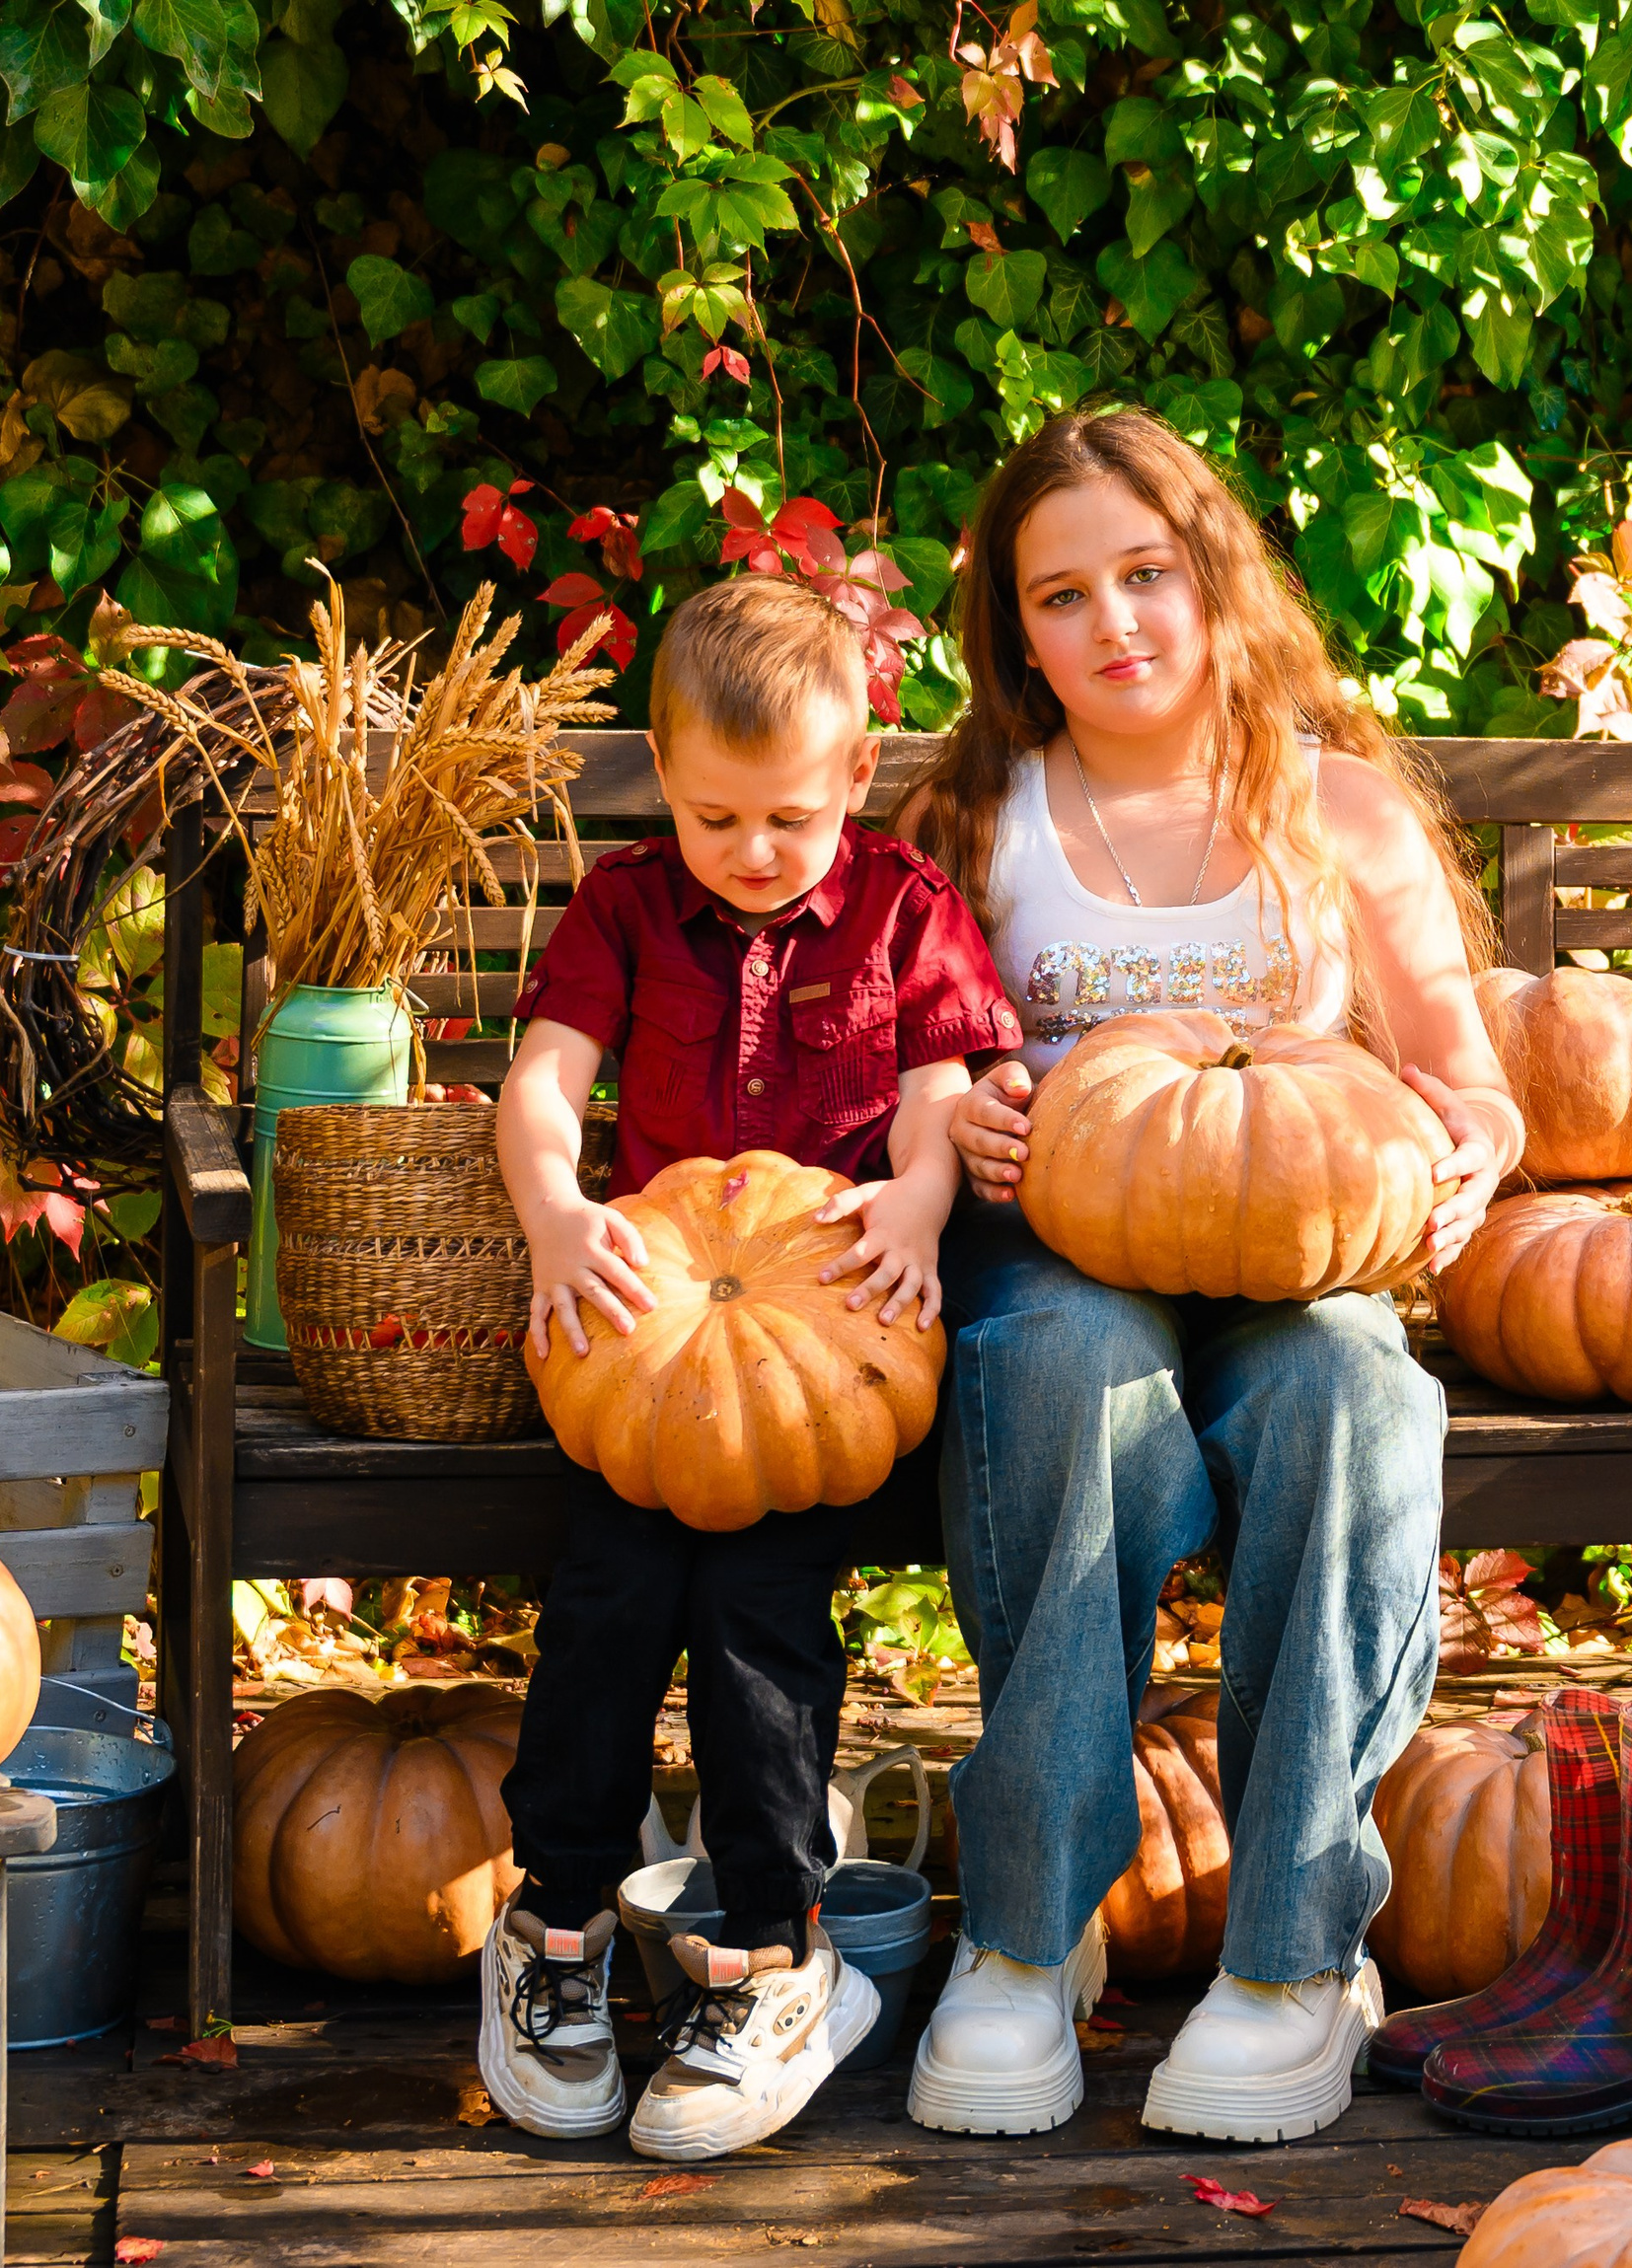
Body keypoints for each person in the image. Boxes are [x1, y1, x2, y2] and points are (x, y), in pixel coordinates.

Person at [900, 409, 1524, 2145]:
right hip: (1061, 1238)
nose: (1115, 623)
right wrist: (973, 1115)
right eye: (1063, 594)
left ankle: (1296, 1948)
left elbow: (1466, 1073)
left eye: (1147, 574)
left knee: (1357, 1399)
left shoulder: (1338, 812)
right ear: (1015, 632)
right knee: (1053, 1373)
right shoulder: (977, 817)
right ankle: (1029, 1933)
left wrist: (1466, 1148)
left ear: (1212, 577)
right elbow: (912, 1054)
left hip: (1290, 1247)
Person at [481, 576, 1020, 2160]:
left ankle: (774, 1950)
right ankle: (559, 1921)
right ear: (662, 769)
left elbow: (942, 1090)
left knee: (759, 1625)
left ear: (857, 775)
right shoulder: (626, 908)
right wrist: (556, 1218)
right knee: (606, 1603)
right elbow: (540, 1084)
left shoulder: (903, 905)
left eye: (790, 816)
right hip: (638, 1333)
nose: (756, 851)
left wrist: (920, 1202)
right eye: (716, 816)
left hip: (833, 1346)